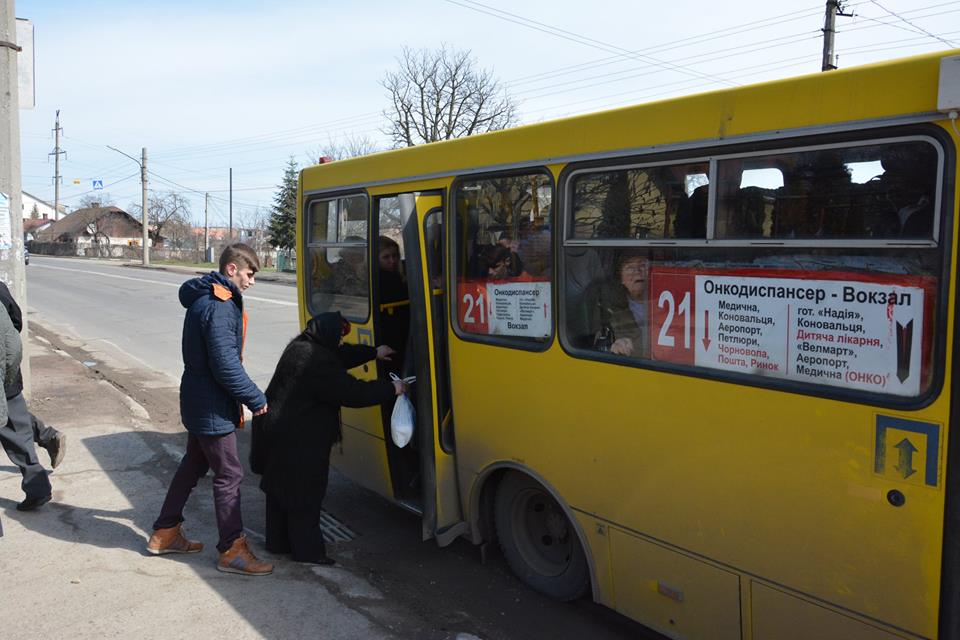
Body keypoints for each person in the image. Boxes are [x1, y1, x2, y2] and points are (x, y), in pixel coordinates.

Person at [147, 243, 273, 576]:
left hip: (199, 398)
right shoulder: (219, 305)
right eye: (249, 274)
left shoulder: (205, 296)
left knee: (193, 464)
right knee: (229, 475)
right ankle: (232, 550)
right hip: (212, 404)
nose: (251, 281)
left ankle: (165, 532)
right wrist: (256, 398)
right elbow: (225, 364)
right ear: (232, 269)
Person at [251, 312, 406, 565]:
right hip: (300, 440)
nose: (341, 343)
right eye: (339, 338)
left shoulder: (301, 347)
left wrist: (373, 353)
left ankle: (278, 543)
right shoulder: (316, 362)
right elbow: (352, 392)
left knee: (279, 490)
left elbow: (340, 356)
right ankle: (308, 553)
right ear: (329, 335)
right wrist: (391, 388)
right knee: (305, 496)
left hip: (276, 430)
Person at [0, 281, 67, 471]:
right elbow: (16, 322)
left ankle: (37, 481)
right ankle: (47, 436)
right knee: (14, 417)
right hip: (9, 370)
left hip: (7, 370)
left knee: (14, 427)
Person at [0, 298, 37, 512]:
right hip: (8, 379)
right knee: (21, 434)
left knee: (19, 434)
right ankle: (38, 488)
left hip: (7, 380)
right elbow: (14, 336)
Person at [592, 253, 651, 358]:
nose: (637, 271)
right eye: (630, 268)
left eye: (642, 265)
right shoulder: (610, 308)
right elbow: (600, 341)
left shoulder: (666, 302)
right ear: (622, 278)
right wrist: (615, 345)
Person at [377, 236, 409, 377]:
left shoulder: (401, 273)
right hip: (389, 333)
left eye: (395, 256)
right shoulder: (378, 279)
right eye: (386, 257)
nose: (392, 261)